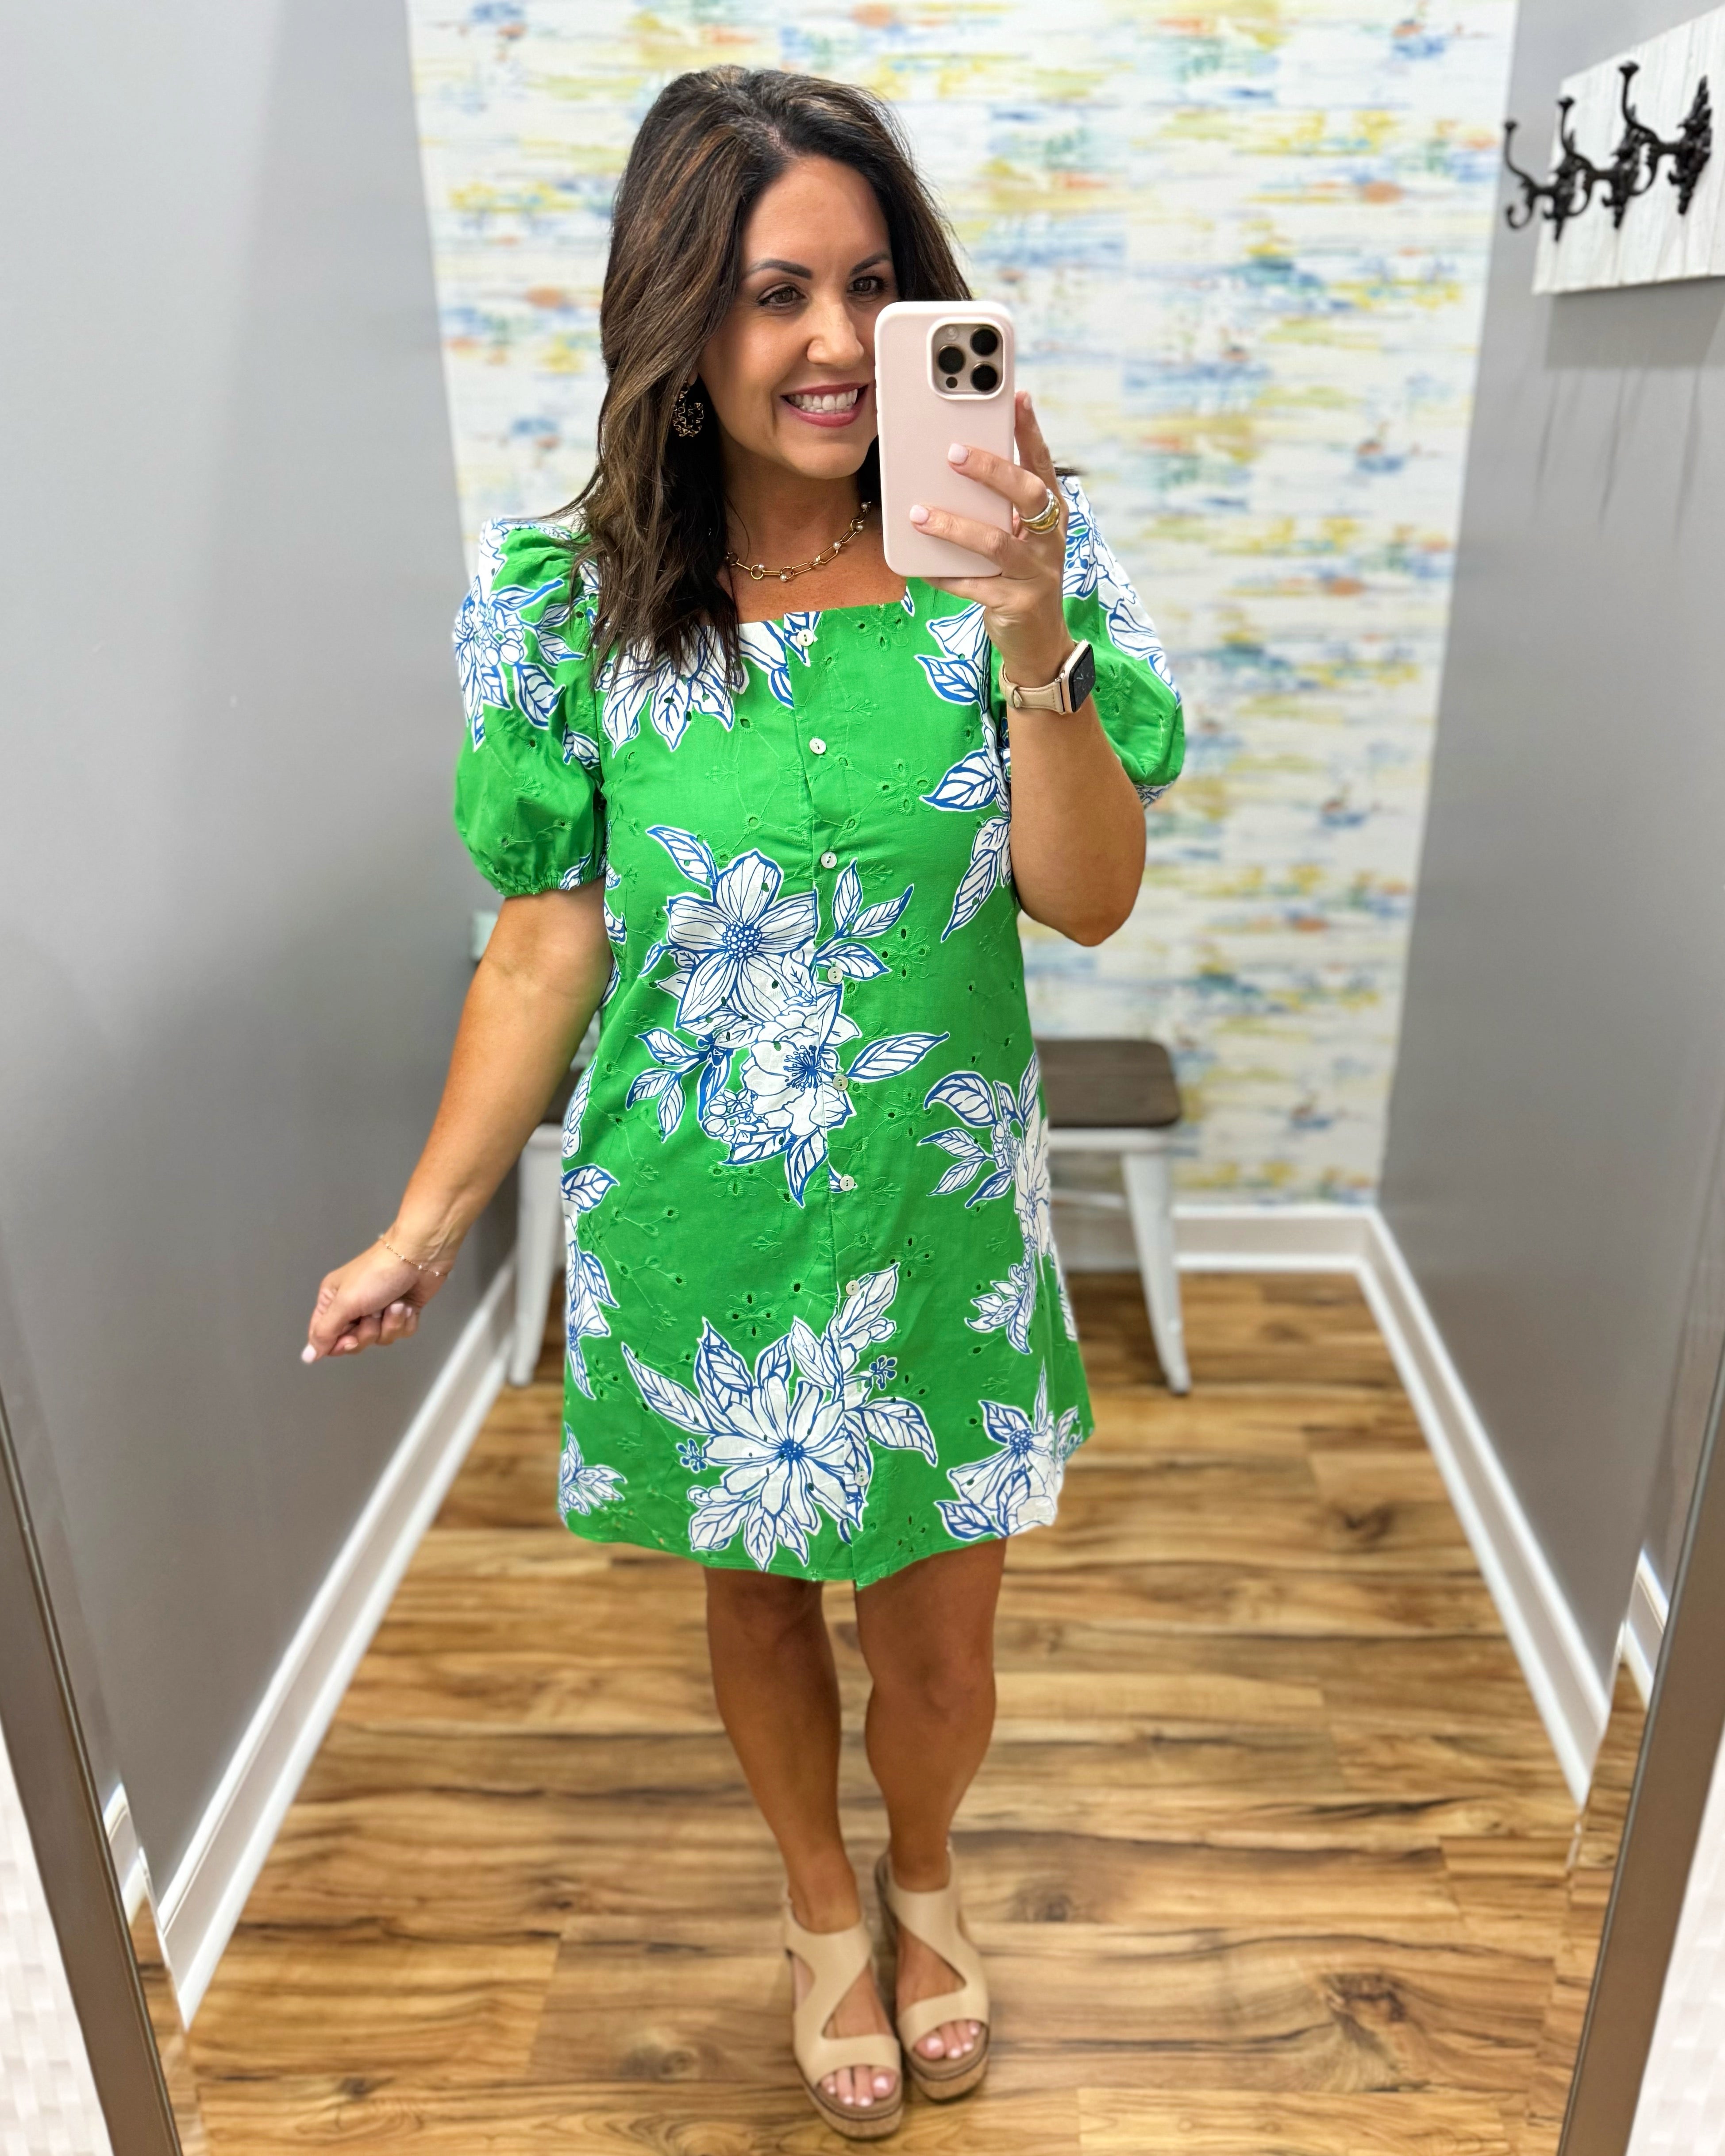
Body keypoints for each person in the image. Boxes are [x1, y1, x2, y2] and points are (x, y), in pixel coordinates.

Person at [304, 65, 1182, 2139]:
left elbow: (1091, 903)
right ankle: (818, 1912)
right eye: (774, 291)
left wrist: (1033, 631)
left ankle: (930, 1874)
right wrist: (423, 1226)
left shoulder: (1012, 571)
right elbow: (543, 947)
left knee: (944, 1664)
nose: (826, 347)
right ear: (679, 315)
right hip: (696, 1215)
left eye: (871, 291)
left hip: (939, 1217)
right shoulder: (569, 607)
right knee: (763, 1596)